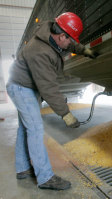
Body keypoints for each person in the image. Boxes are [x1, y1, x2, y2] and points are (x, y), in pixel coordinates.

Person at [6, 12, 98, 190]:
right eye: (70, 39)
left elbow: (68, 44)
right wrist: (66, 114)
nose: (71, 43)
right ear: (62, 35)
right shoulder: (39, 52)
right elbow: (49, 89)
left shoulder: (52, 32)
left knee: (25, 129)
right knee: (35, 129)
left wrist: (84, 50)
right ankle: (45, 177)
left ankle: (23, 168)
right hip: (21, 88)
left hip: (22, 85)